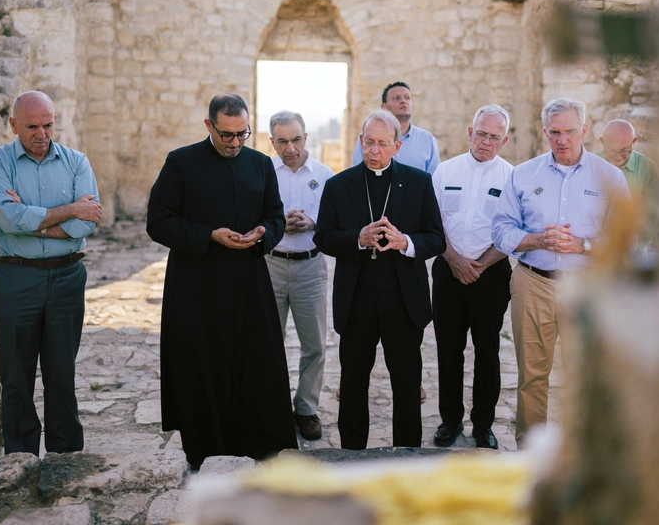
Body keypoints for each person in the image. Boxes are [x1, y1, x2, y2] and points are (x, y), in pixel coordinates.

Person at [146, 94, 297, 469]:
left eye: (241, 135)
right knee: (201, 362)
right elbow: (158, 222)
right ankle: (205, 450)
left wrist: (264, 232)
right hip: (196, 284)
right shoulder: (181, 162)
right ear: (209, 126)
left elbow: (275, 216)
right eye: (227, 135)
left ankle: (259, 447)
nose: (234, 143)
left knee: (257, 362)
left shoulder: (262, 164)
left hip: (248, 280)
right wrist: (208, 235)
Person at [491, 98, 629, 447]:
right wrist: (536, 239)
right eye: (554, 132)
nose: (562, 139)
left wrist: (583, 246)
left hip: (587, 288)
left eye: (569, 131)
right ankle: (531, 452)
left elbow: (627, 240)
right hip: (533, 282)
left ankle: (578, 455)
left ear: (584, 130)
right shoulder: (523, 175)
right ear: (545, 132)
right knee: (532, 376)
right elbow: (501, 230)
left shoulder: (610, 177)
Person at [315, 109, 445, 449]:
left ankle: (407, 452)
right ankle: (352, 452)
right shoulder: (338, 185)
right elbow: (323, 237)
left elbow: (436, 238)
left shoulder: (419, 183)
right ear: (360, 142)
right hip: (357, 298)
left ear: (397, 147)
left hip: (403, 300)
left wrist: (406, 242)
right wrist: (357, 238)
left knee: (406, 382)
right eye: (369, 142)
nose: (375, 151)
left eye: (383, 144)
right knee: (353, 380)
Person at [0, 90, 102, 455]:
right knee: (16, 378)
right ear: (13, 124)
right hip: (16, 278)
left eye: (48, 125)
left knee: (62, 375)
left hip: (67, 277)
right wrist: (69, 210)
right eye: (32, 126)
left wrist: (33, 220)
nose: (42, 134)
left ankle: (65, 457)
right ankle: (20, 459)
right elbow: (9, 217)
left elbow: (88, 223)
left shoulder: (77, 162)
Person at [431, 105, 514, 450]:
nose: (486, 141)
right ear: (470, 132)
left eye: (494, 136)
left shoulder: (512, 178)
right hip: (449, 271)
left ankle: (483, 425)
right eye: (481, 133)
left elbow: (513, 232)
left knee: (488, 351)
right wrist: (455, 261)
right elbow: (432, 223)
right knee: (449, 351)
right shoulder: (444, 171)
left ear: (504, 140)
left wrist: (479, 264)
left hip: (491, 275)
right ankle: (450, 421)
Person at [266, 111, 334, 441]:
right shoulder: (264, 173)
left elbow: (335, 221)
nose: (290, 148)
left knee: (314, 344)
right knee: (268, 341)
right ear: (272, 142)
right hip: (271, 266)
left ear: (306, 138)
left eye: (295, 139)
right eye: (282, 141)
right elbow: (254, 215)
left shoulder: (324, 175)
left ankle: (306, 409)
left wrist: (313, 223)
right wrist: (280, 223)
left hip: (310, 267)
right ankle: (272, 407)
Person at [597, 119, 659, 253]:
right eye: (612, 150)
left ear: (634, 142)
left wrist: (635, 246)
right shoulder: (589, 164)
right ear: (602, 142)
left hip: (631, 252)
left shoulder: (647, 168)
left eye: (625, 151)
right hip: (593, 252)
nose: (618, 157)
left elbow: (652, 216)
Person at [351, 82, 440, 174]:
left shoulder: (427, 139)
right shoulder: (367, 138)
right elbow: (357, 174)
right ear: (384, 107)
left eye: (407, 98)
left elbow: (434, 180)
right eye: (396, 98)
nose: (403, 101)